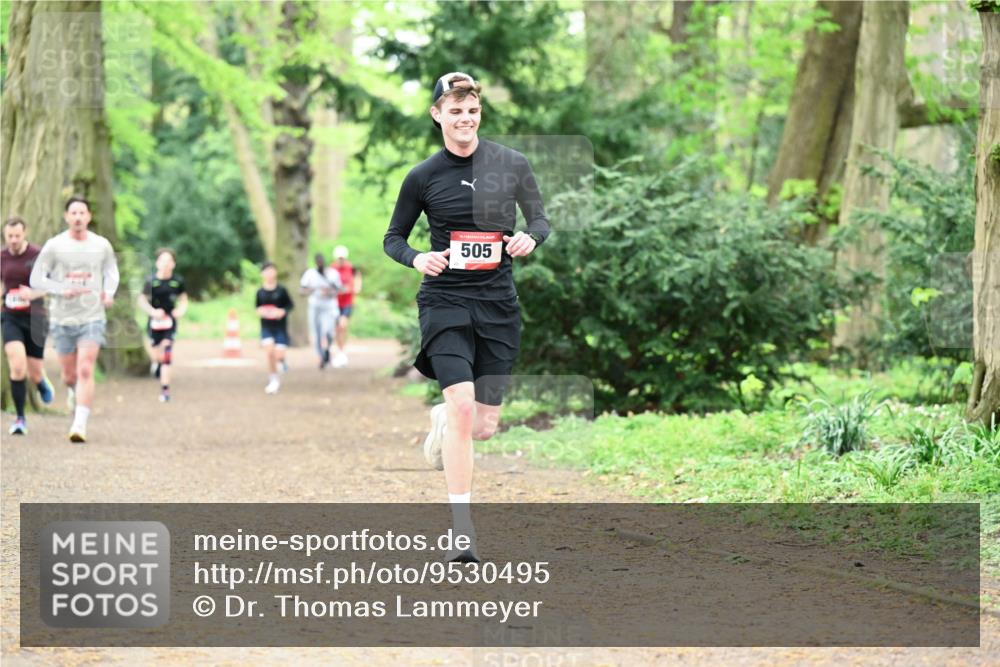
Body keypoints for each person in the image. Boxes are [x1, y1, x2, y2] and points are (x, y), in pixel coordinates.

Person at [383, 72, 550, 561]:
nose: (465, 119)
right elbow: (393, 238)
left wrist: (531, 238)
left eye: (472, 111)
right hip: (445, 302)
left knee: (483, 426)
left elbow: (539, 219)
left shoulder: (512, 164)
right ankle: (462, 531)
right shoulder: (423, 176)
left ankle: (444, 418)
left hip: (497, 305)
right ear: (437, 114)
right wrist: (417, 257)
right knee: (461, 407)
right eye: (455, 111)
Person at [29, 196, 119, 443]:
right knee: (69, 375)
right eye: (73, 213)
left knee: (86, 368)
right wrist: (60, 289)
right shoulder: (55, 245)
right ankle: (72, 391)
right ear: (66, 217)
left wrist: (108, 292)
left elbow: (112, 272)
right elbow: (36, 278)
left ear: (89, 216)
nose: (78, 217)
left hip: (92, 316)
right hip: (62, 318)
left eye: (82, 213)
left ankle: (79, 424)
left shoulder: (101, 245)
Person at [1, 217, 55, 435]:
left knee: (34, 372)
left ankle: (40, 382)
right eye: (9, 236)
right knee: (17, 366)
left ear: (25, 233)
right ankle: (20, 419)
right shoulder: (2, 257)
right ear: (5, 235)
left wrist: (32, 294)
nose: (13, 240)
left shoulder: (38, 255)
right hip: (10, 317)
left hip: (35, 318)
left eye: (17, 236)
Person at [137, 248, 188, 402]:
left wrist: (180, 310)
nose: (166, 264)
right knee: (157, 355)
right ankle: (156, 363)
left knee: (166, 353)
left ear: (173, 264)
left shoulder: (178, 281)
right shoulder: (150, 281)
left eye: (169, 261)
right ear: (157, 263)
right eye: (163, 261)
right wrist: (152, 311)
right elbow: (141, 300)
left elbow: (184, 299)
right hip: (154, 323)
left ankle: (165, 391)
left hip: (170, 322)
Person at [256, 262, 294, 394]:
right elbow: (257, 307)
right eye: (266, 271)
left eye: (271, 271)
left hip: (280, 327)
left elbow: (289, 305)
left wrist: (281, 312)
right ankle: (273, 379)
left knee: (279, 355)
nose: (269, 274)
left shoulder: (282, 290)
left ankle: (282, 361)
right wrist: (261, 312)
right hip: (266, 326)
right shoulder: (260, 292)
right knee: (269, 353)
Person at [299, 252, 341, 369]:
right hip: (315, 306)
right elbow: (301, 290)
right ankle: (321, 356)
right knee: (317, 333)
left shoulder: (332, 274)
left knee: (328, 331)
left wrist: (329, 292)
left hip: (329, 306)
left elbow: (339, 289)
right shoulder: (310, 274)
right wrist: (312, 290)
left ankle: (327, 349)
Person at [330, 245, 361, 368]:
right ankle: (339, 351)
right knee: (337, 328)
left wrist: (355, 288)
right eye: (339, 258)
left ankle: (342, 351)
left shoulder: (351, 268)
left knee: (343, 325)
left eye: (342, 258)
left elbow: (357, 278)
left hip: (347, 302)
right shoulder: (331, 269)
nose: (341, 260)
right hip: (334, 303)